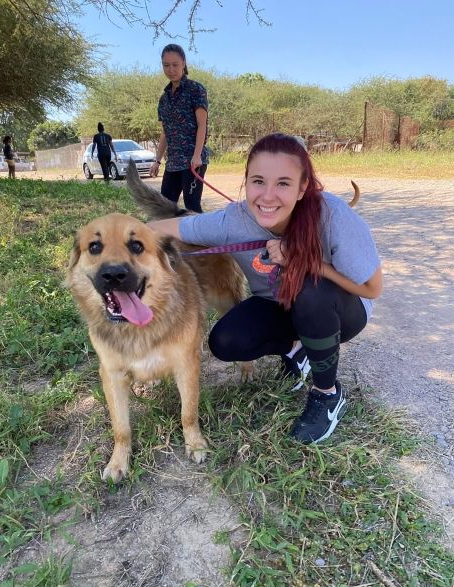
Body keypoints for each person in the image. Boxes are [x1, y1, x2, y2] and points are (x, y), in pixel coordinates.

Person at [149, 133, 382, 445]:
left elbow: (371, 288)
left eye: (283, 183)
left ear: (303, 187)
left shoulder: (332, 215)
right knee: (226, 341)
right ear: (246, 182)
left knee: (309, 291)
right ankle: (296, 351)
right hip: (278, 304)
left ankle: (327, 395)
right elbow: (173, 226)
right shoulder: (234, 220)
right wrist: (121, 237)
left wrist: (306, 262)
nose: (268, 195)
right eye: (258, 181)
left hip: (340, 310)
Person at [151, 43, 209, 213]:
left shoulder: (196, 90)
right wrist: (157, 160)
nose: (171, 69)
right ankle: (168, 240)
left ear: (183, 63)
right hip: (173, 162)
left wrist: (197, 155)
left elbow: (202, 125)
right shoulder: (164, 99)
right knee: (164, 209)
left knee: (192, 206)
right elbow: (165, 132)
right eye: (166, 65)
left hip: (193, 160)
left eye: (175, 64)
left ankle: (199, 240)